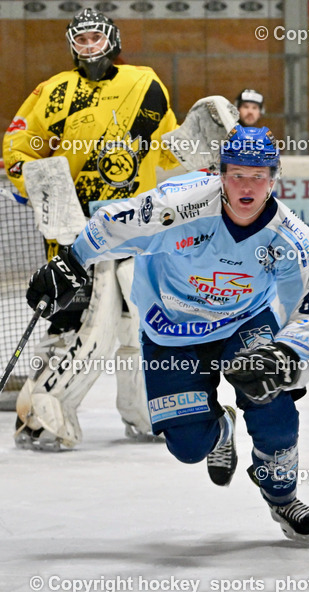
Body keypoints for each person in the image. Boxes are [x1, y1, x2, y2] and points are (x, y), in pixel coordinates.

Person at [25, 126, 309, 546]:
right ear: (220, 175)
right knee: (188, 446)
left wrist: (285, 355)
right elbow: (116, 223)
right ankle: (221, 430)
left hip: (244, 322)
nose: (247, 186)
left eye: (258, 176)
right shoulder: (178, 206)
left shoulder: (290, 238)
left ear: (274, 179)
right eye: (237, 175)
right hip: (171, 327)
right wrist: (72, 261)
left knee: (273, 405)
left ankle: (284, 499)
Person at [4, 8, 179, 449]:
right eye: (79, 39)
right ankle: (39, 414)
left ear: (112, 40)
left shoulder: (144, 84)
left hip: (132, 229)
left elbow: (173, 150)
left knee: (140, 326)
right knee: (70, 324)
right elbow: (18, 145)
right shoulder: (55, 91)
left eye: (95, 38)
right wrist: (34, 181)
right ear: (71, 46)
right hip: (74, 234)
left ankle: (146, 414)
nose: (88, 46)